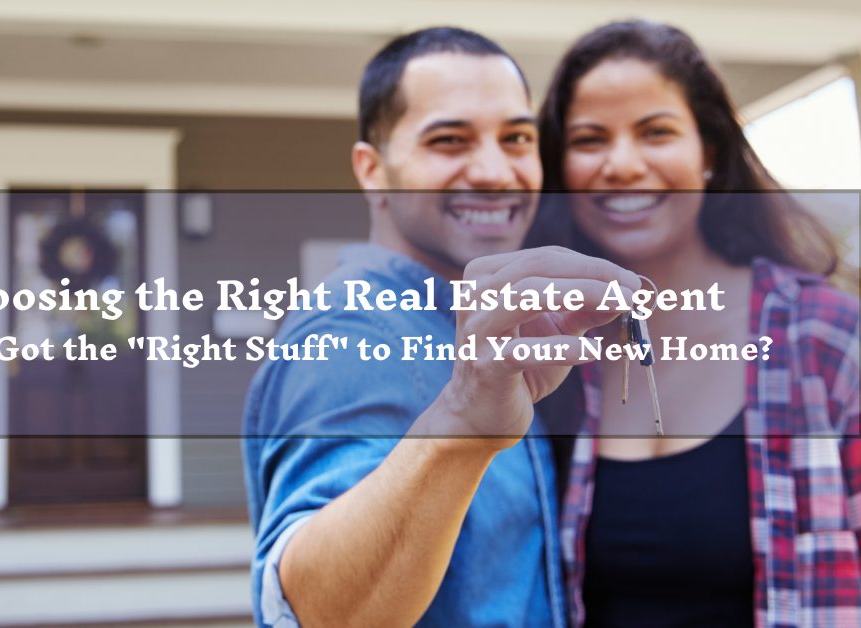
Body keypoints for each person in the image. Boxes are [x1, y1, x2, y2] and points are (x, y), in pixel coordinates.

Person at [528, 19, 861, 628]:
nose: (622, 162)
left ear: (708, 153)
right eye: (589, 139)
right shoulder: (547, 353)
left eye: (655, 132)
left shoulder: (830, 335)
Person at [242, 27, 640, 627]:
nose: (493, 170)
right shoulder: (355, 334)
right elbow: (318, 613)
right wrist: (459, 422)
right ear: (372, 170)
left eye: (516, 139)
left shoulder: (476, 324)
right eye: (450, 140)